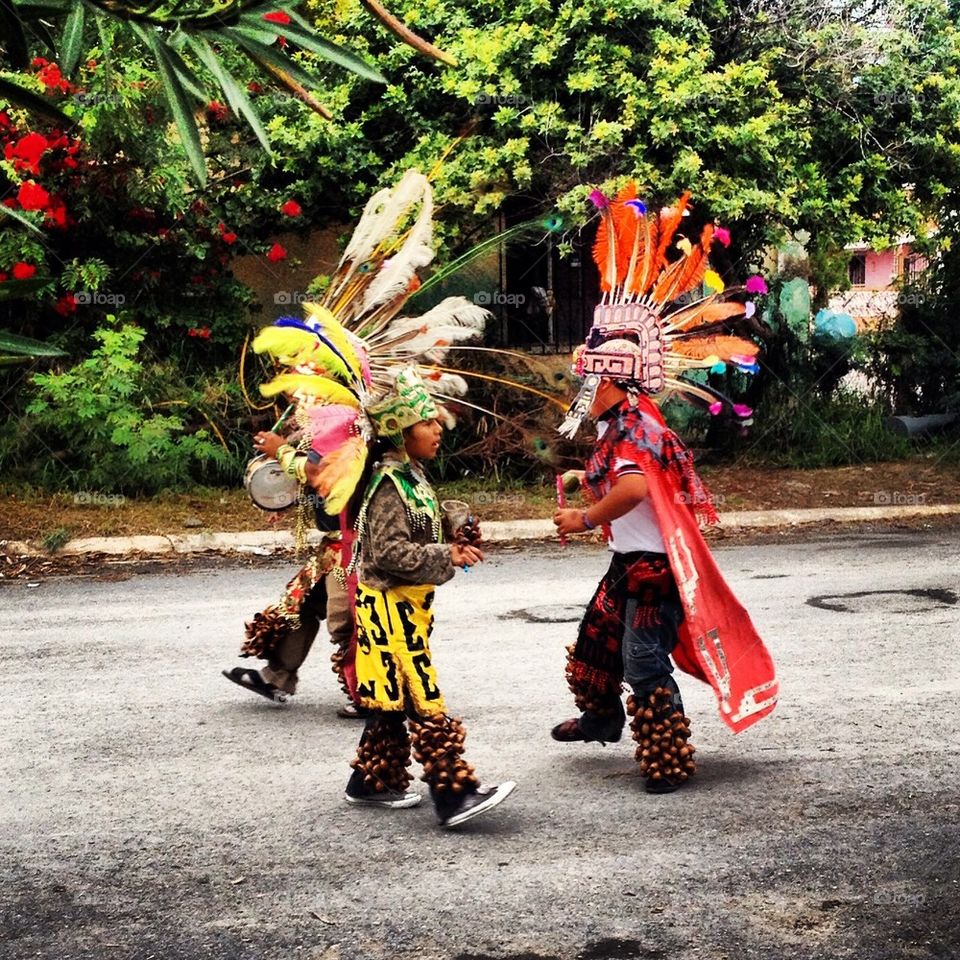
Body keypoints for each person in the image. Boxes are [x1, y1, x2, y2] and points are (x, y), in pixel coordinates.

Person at [551, 184, 778, 794]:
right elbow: (619, 475)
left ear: (613, 380)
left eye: (589, 380)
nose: (581, 389)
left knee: (643, 659)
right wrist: (582, 475)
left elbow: (631, 493)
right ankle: (601, 720)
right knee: (595, 640)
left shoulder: (634, 427)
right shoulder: (621, 425)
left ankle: (667, 757)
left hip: (653, 569)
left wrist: (582, 516)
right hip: (630, 561)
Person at [344, 368, 516, 828]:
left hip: (406, 606)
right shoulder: (385, 485)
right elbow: (389, 552)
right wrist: (448, 553)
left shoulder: (410, 475)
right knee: (423, 694)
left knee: (391, 698)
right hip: (387, 606)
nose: (439, 429)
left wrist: (455, 526)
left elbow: (426, 520)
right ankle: (454, 795)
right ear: (401, 432)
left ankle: (370, 781)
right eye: (429, 423)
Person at [223, 428, 364, 716]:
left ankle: (369, 694)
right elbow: (318, 483)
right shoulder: (323, 424)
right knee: (299, 605)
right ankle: (277, 677)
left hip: (356, 545)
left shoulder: (349, 424)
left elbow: (317, 473)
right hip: (335, 544)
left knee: (345, 620)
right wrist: (288, 497)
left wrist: (281, 452)